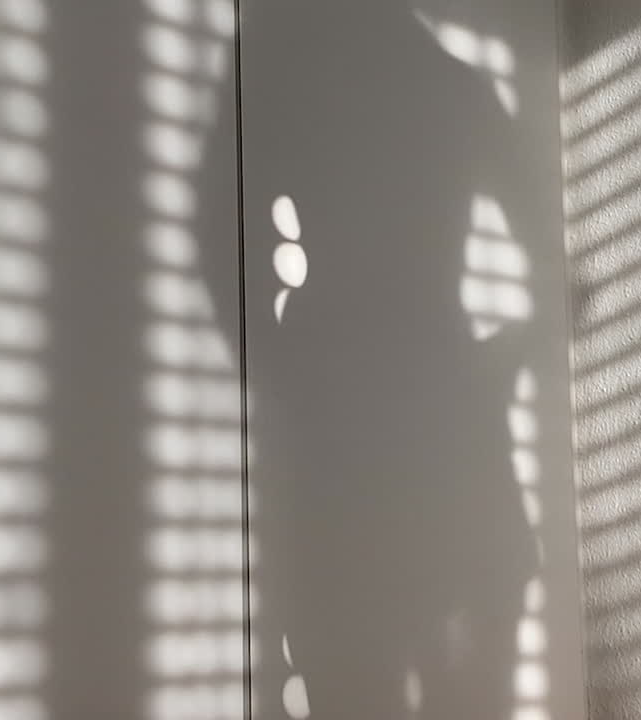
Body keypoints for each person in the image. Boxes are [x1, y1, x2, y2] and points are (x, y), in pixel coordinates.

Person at [197, 1, 538, 716]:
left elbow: (217, 232)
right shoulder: (451, 88)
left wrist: (285, 362)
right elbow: (559, 271)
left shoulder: (286, 76)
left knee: (364, 673)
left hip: (362, 433)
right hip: (424, 421)